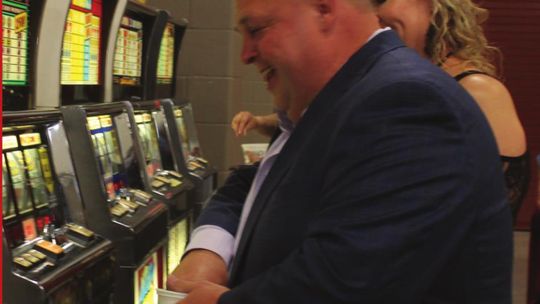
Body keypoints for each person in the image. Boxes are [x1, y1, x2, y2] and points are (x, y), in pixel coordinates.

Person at [167, 0, 513, 303]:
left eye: (256, 29)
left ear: (323, 9)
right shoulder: (331, 95)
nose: (246, 54)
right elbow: (251, 184)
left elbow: (346, 282)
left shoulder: (407, 99)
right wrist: (208, 252)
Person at [231, 0, 529, 219]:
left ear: (435, 7)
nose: (374, 14)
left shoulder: (467, 89)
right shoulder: (390, 87)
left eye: (382, 0)